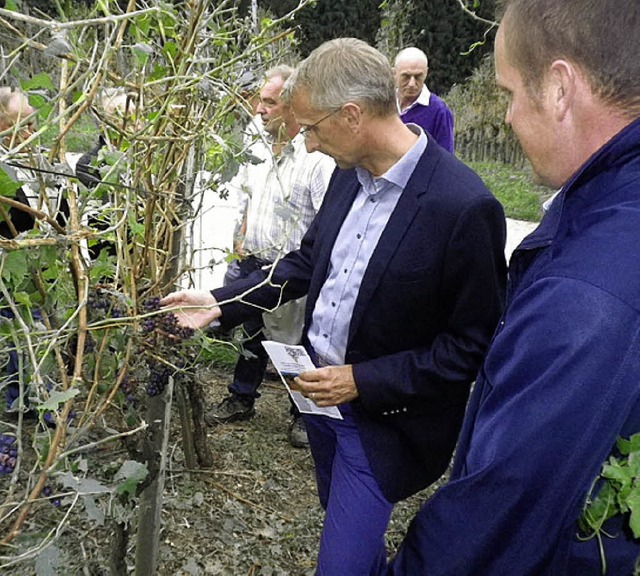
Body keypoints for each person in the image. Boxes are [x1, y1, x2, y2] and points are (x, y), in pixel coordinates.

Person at [161, 38, 506, 575]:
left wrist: (362, 380)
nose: (308, 145)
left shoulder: (463, 207)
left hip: (381, 422)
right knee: (350, 537)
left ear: (351, 115)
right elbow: (304, 263)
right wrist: (219, 303)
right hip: (316, 401)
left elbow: (471, 347)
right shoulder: (349, 175)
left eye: (312, 128)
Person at [386, 1, 640, 573]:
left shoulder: (584, 295)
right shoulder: (607, 208)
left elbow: (499, 512)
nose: (506, 118)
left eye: (508, 93)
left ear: (558, 89)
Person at [207, 66, 335, 449]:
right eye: (260, 100)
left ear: (292, 108)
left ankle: (302, 414)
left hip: (292, 274)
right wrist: (240, 236)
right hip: (254, 264)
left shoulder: (316, 161)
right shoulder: (257, 148)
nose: (259, 110)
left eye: (269, 102)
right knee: (250, 334)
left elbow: (326, 223)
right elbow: (245, 196)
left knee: (295, 344)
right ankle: (241, 397)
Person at [394, 47, 454, 153]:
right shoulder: (384, 104)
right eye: (406, 76)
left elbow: (446, 158)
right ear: (395, 73)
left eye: (418, 77)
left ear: (426, 73)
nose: (412, 83)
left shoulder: (439, 111)